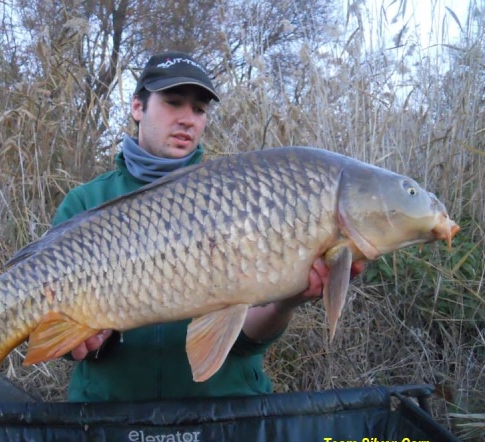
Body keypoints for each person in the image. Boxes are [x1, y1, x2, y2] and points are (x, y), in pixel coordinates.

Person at [52, 51, 363, 402]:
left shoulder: (239, 194)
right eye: (173, 103)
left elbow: (245, 343)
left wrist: (284, 303)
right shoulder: (85, 203)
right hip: (109, 414)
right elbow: (62, 342)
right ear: (138, 108)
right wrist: (85, 340)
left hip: (224, 406)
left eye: (199, 110)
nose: (188, 119)